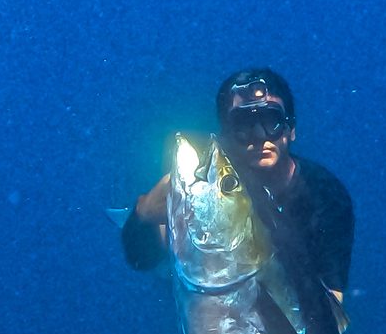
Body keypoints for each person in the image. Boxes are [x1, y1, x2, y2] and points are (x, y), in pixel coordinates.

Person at [120, 67, 354, 301]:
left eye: (271, 120)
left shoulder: (325, 194)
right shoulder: (199, 183)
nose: (260, 135)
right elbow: (141, 259)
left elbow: (332, 298)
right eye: (245, 124)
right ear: (226, 134)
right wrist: (143, 214)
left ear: (291, 129)